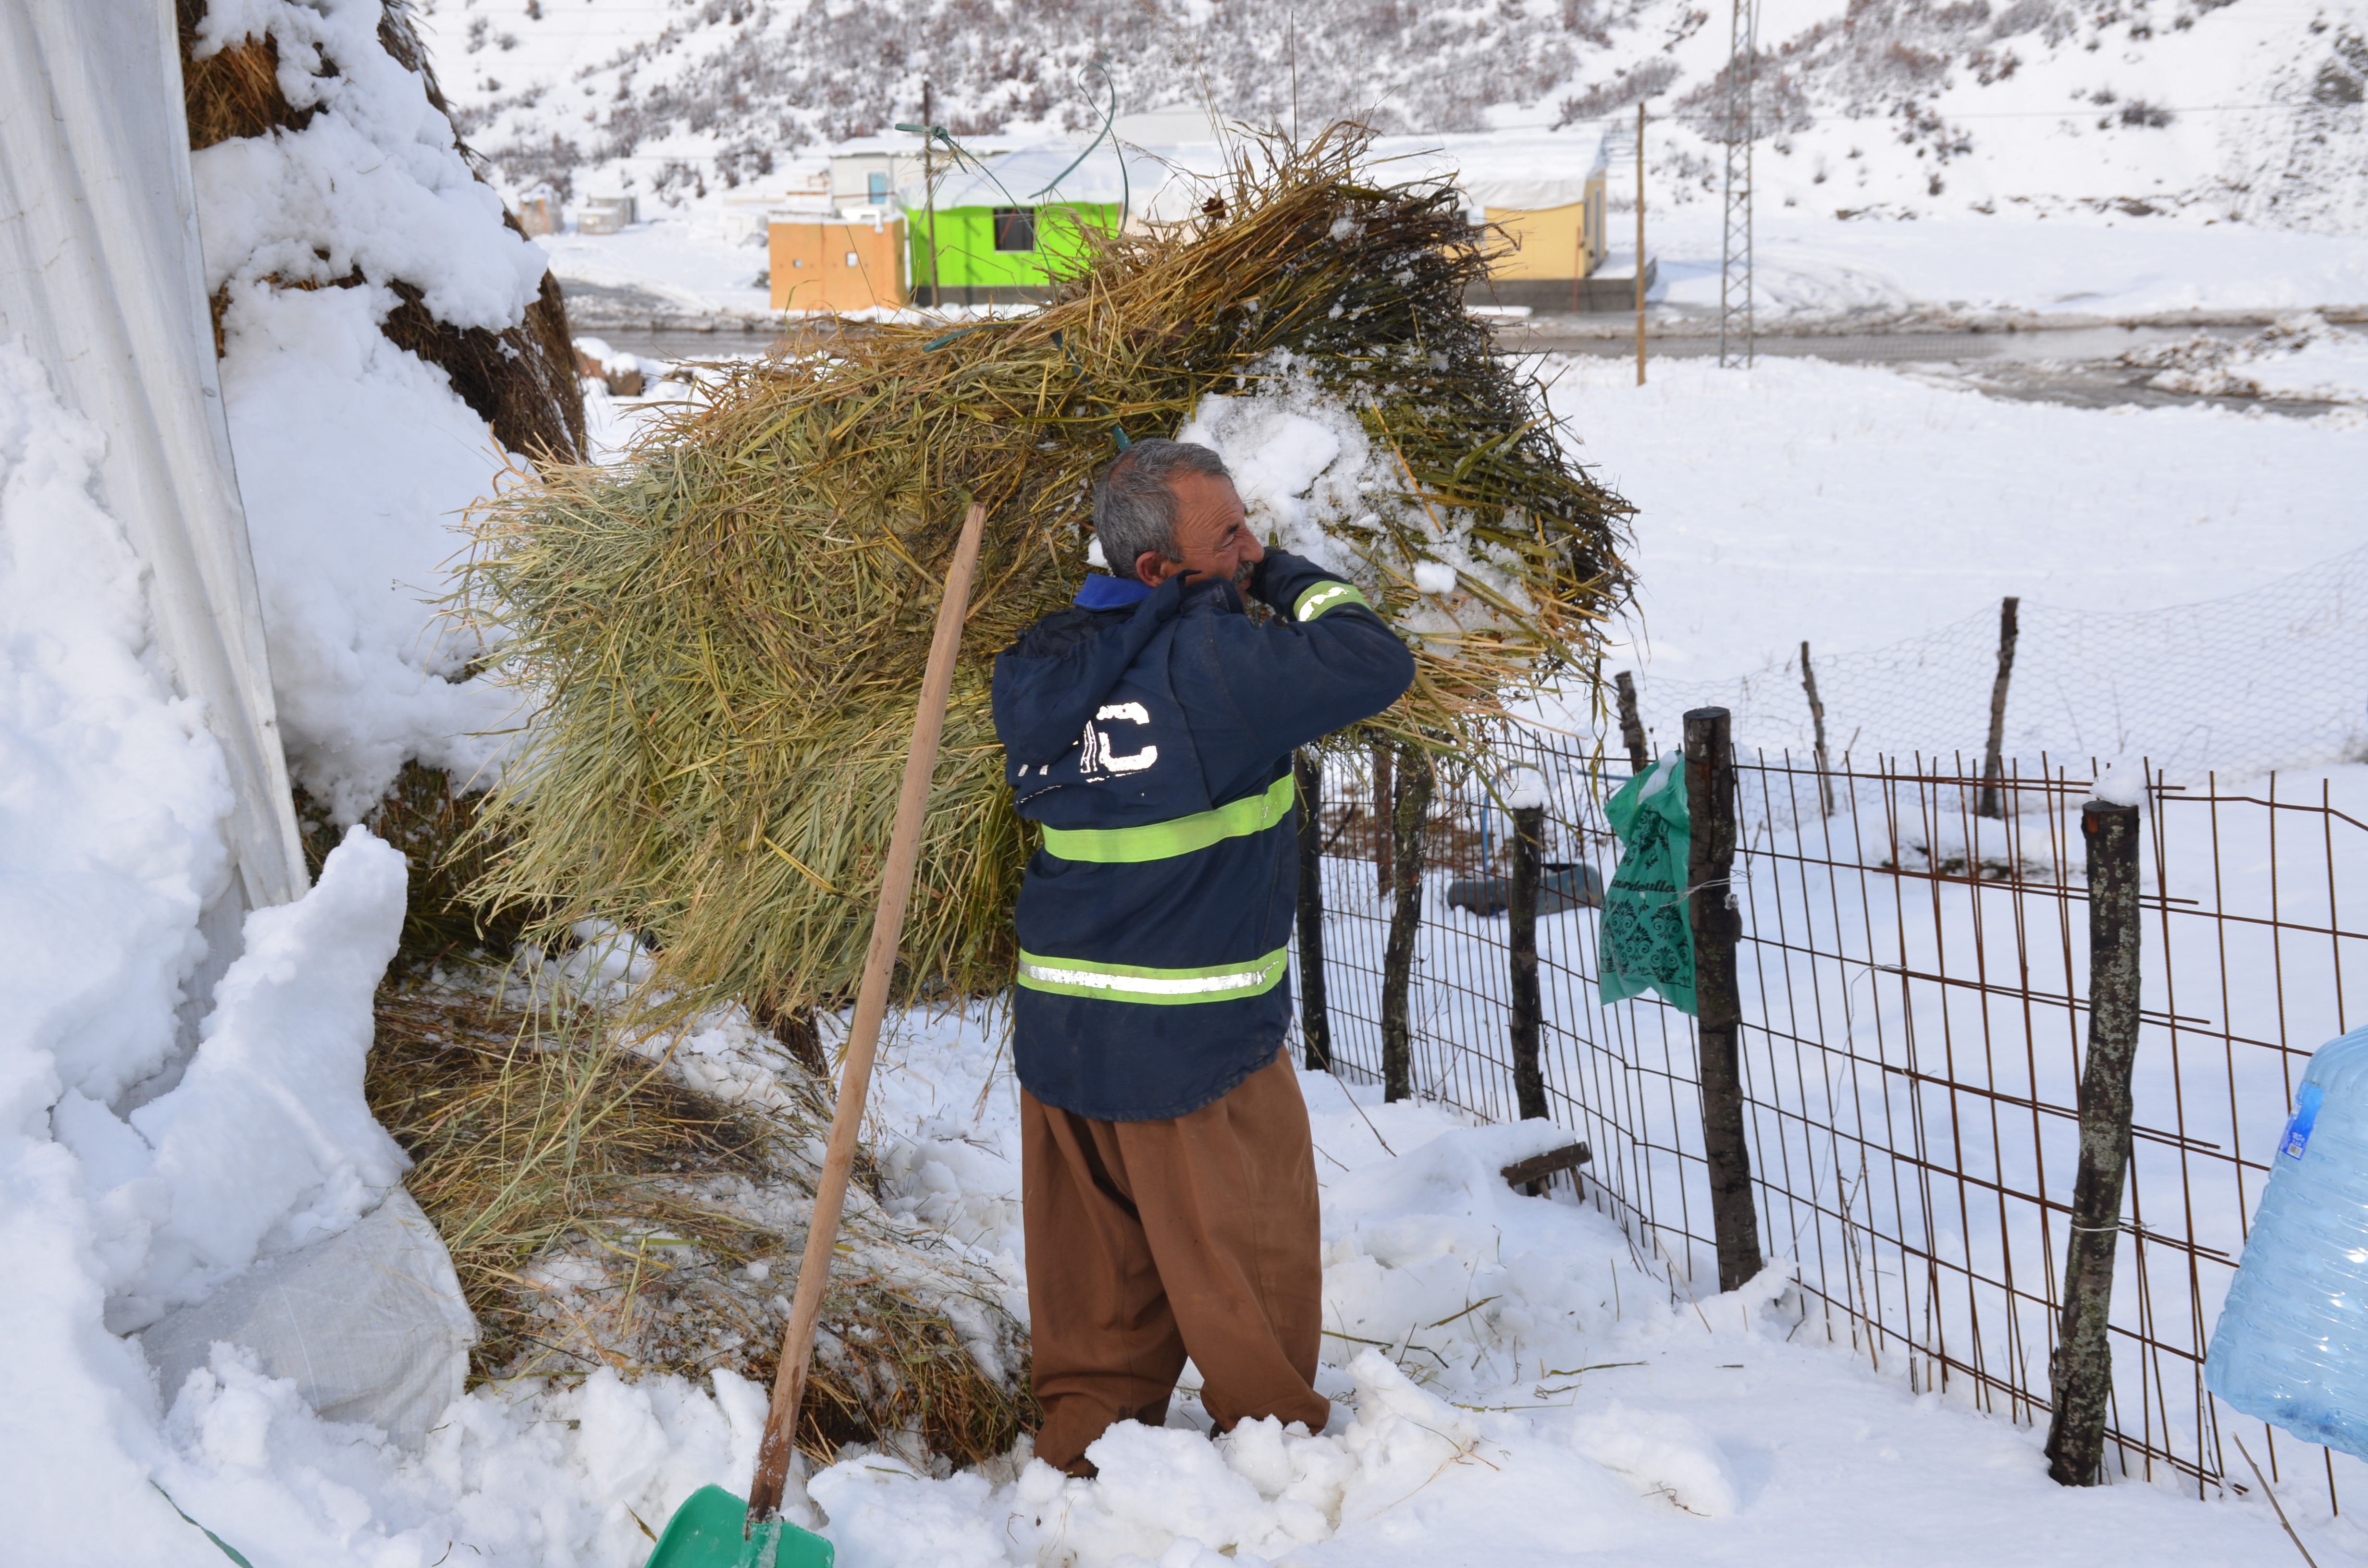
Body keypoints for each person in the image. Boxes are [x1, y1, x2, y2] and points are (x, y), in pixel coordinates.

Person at [990, 437, 1416, 1475]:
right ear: (1156, 571)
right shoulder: (1218, 666)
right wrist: (1286, 579)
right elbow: (1376, 660)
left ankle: (1085, 1453)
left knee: (1095, 1274)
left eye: (1248, 530)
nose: (1248, 546)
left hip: (1063, 1030)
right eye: (1226, 537)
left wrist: (1232, 565)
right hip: (1196, 1045)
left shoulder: (1036, 666)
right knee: (1247, 1258)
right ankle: (1272, 1460)